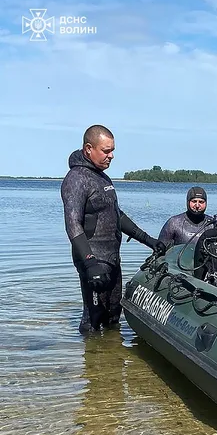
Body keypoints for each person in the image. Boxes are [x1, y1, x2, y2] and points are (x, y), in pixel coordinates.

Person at [61, 124, 166, 334]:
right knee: (93, 317)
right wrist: (90, 263)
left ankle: (111, 361)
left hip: (112, 258)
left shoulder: (102, 178)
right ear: (89, 149)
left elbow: (116, 216)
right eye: (106, 151)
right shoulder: (76, 179)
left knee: (113, 313)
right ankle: (90, 362)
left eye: (113, 150)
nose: (111, 156)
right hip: (92, 259)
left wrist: (148, 240)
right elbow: (72, 224)